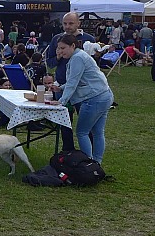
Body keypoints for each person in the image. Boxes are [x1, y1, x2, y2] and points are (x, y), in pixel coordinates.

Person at [47, 35, 114, 164]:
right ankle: (96, 164)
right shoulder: (79, 56)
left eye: (63, 48)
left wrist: (61, 101)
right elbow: (76, 81)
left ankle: (87, 163)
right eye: (58, 48)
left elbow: (73, 82)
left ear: (73, 46)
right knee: (97, 132)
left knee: (82, 132)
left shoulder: (77, 58)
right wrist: (60, 88)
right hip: (104, 95)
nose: (60, 51)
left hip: (94, 98)